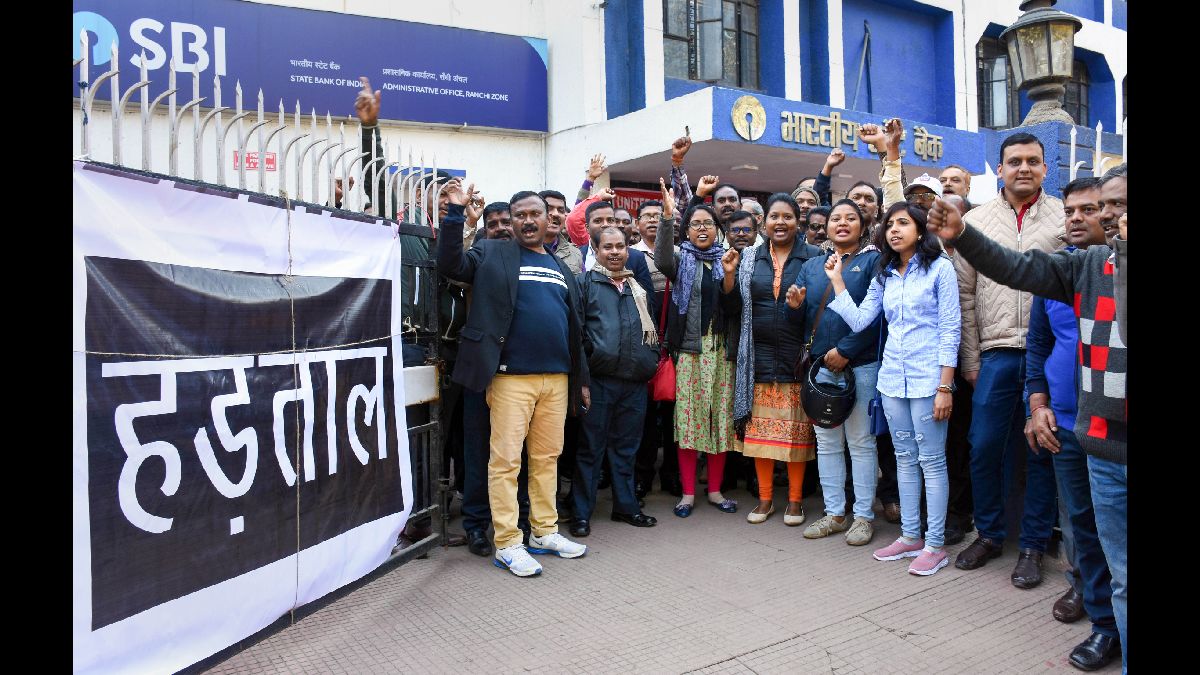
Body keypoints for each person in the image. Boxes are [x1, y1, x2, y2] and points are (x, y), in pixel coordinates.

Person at [925, 165, 1126, 671]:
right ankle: (1107, 627)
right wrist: (963, 234)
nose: (1105, 216)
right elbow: (1015, 269)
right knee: (1103, 548)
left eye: (1114, 205)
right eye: (1102, 206)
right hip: (1096, 439)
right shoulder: (1084, 267)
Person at [437, 183, 590, 577]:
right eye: (519, 215)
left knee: (546, 460)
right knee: (505, 462)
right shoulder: (492, 252)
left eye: (534, 213)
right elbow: (451, 266)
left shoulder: (560, 266)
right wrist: (455, 215)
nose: (527, 220)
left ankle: (544, 532)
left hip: (556, 380)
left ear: (549, 219)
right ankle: (507, 543)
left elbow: (575, 329)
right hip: (509, 379)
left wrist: (581, 379)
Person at [821, 201, 961, 576]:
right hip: (892, 380)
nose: (894, 230)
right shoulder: (885, 273)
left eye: (903, 223)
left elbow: (951, 330)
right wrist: (837, 281)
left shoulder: (940, 268)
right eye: (890, 224)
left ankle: (934, 544)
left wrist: (945, 386)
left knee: (932, 461)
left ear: (921, 229)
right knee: (903, 458)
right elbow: (861, 320)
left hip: (929, 379)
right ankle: (910, 535)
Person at [953, 133, 1064, 588]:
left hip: (1050, 357)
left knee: (1042, 450)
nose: (1024, 168)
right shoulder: (975, 221)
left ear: (1044, 168)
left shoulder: (1063, 218)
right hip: (995, 354)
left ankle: (1034, 545)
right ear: (999, 169)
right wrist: (971, 359)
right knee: (983, 447)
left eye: (1033, 161)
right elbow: (964, 295)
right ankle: (990, 534)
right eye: (1014, 161)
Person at [1022, 176, 1120, 671]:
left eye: (1091, 209)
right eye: (1070, 211)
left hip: (1113, 431)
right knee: (1081, 522)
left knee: (1115, 530)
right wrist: (1036, 404)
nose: (1078, 218)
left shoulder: (1115, 273)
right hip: (1064, 422)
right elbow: (1037, 345)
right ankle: (1103, 621)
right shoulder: (1057, 274)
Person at [724, 193, 822, 526]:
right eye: (774, 217)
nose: (780, 223)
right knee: (760, 437)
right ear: (763, 222)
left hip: (797, 359)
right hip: (757, 358)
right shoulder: (749, 257)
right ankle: (765, 500)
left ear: (798, 221)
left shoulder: (814, 257)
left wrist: (799, 307)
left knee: (797, 436)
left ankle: (795, 502)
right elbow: (733, 309)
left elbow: (821, 308)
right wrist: (728, 276)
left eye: (787, 217)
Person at [790, 200, 882, 545]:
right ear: (826, 226)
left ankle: (863, 517)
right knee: (827, 443)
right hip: (819, 368)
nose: (842, 223)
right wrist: (793, 307)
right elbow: (798, 321)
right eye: (835, 219)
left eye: (850, 218)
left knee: (861, 443)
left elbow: (877, 318)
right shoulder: (812, 265)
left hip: (861, 365)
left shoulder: (873, 261)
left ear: (863, 225)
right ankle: (834, 514)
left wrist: (845, 351)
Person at [654, 178, 740, 517]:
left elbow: (733, 307)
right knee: (689, 425)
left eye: (708, 223)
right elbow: (661, 258)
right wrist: (667, 217)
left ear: (718, 230)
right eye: (695, 224)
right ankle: (688, 495)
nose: (702, 228)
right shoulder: (680, 261)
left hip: (722, 355)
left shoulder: (731, 259)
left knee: (720, 422)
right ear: (686, 231)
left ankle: (715, 492)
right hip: (690, 353)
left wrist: (730, 275)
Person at [571, 226, 662, 535]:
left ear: (627, 249)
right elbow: (577, 335)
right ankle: (581, 513)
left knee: (626, 449)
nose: (614, 252)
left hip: (634, 383)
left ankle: (625, 506)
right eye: (607, 247)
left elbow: (652, 331)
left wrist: (650, 361)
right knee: (590, 449)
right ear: (596, 251)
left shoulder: (638, 288)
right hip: (598, 381)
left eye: (619, 246)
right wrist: (582, 380)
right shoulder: (585, 284)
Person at [632, 199, 683, 498]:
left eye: (658, 215)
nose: (652, 220)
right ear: (636, 224)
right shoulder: (630, 254)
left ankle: (672, 475)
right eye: (646, 216)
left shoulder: (679, 254)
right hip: (643, 342)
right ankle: (643, 475)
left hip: (676, 342)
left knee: (675, 414)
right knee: (646, 416)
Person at [540, 189, 584, 275]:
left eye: (560, 210)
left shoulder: (575, 253)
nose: (556, 214)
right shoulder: (520, 249)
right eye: (549, 209)